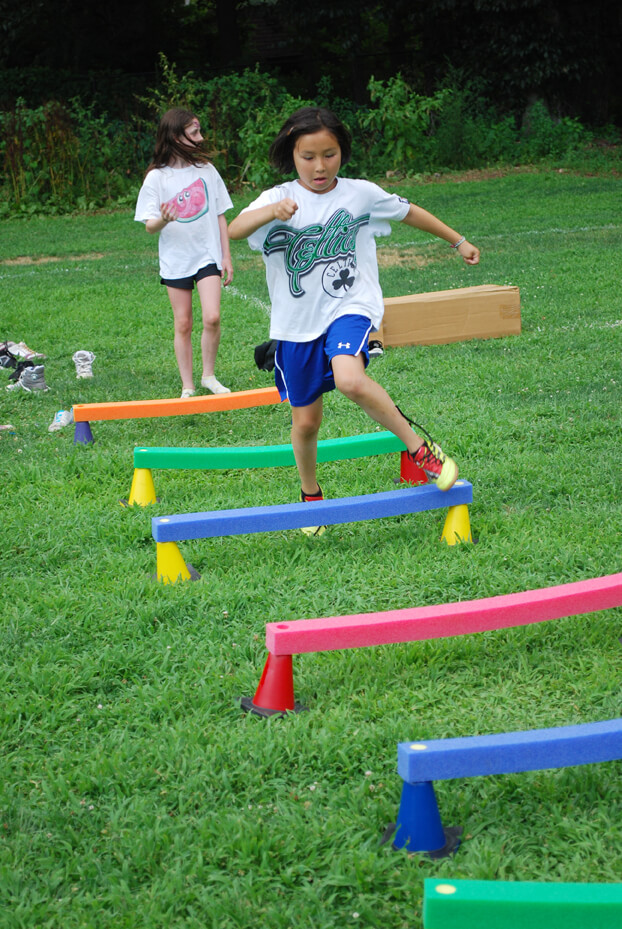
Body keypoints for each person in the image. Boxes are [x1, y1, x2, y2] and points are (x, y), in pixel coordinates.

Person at [228, 106, 480, 529]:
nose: (320, 166)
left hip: (350, 306)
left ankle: (420, 449)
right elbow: (236, 228)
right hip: (295, 325)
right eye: (308, 156)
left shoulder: (360, 194)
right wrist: (272, 213)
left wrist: (458, 241)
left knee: (348, 377)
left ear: (342, 152)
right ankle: (311, 496)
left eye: (329, 154)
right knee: (306, 423)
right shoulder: (277, 199)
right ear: (292, 154)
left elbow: (408, 211)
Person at [135, 108, 234, 397]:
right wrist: (164, 218)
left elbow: (219, 215)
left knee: (212, 317)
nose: (200, 138)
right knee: (183, 322)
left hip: (207, 255)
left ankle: (209, 376)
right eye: (194, 133)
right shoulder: (156, 178)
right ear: (176, 136)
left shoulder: (206, 171)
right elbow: (150, 227)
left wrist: (225, 256)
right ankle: (188, 385)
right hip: (176, 259)